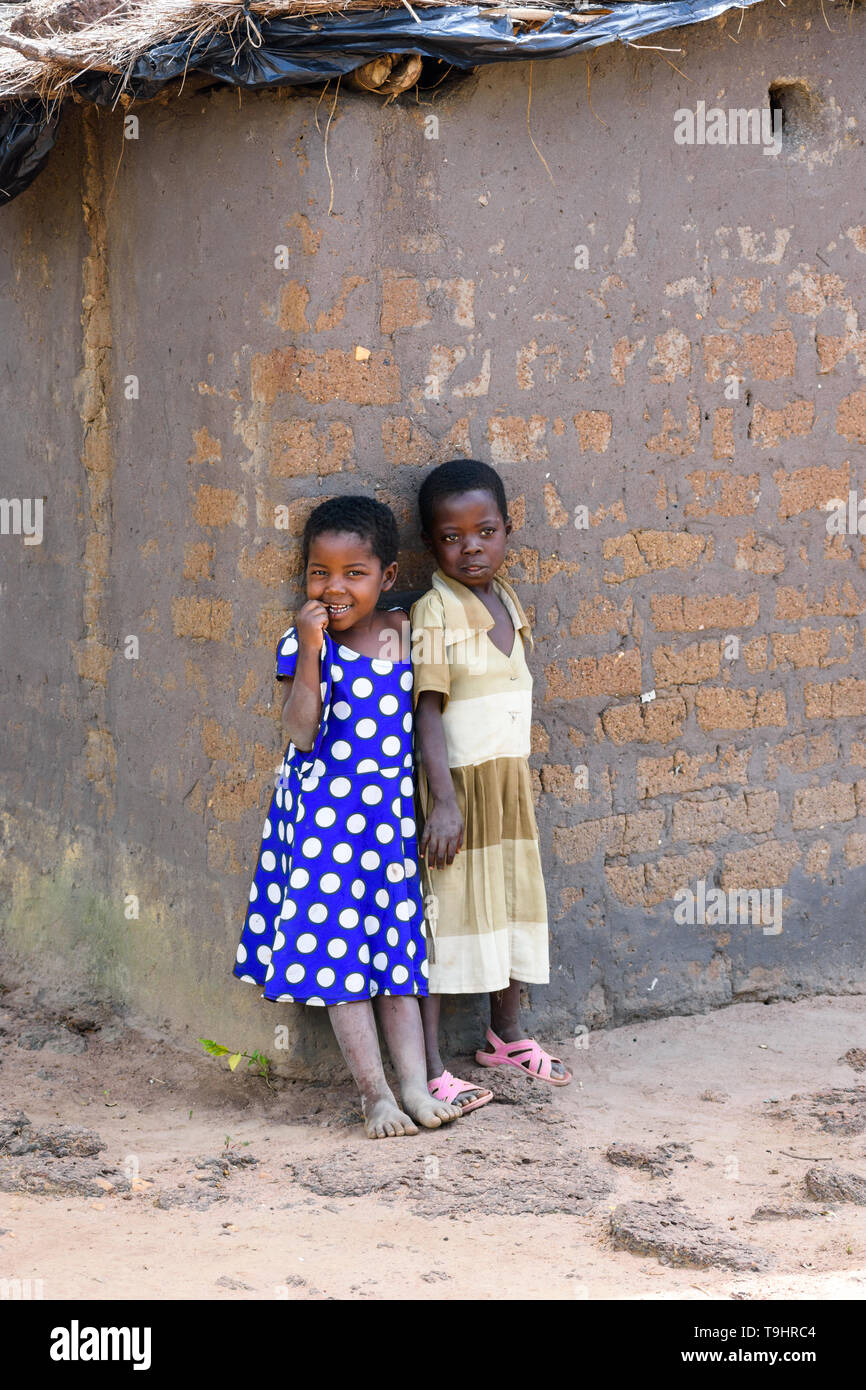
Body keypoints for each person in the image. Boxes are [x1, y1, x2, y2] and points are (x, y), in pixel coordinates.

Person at [235, 495, 462, 1139]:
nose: (334, 588)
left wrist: (442, 799)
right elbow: (301, 732)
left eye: (354, 573)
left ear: (387, 577)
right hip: (320, 828)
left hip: (387, 827)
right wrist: (309, 649)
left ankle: (416, 1089)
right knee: (339, 964)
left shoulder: (404, 630)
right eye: (319, 572)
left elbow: (426, 717)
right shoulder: (304, 642)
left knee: (397, 962)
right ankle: (375, 1097)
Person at [410, 458, 573, 1110]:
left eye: (485, 531)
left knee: (510, 909)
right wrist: (443, 803)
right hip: (462, 795)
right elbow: (426, 709)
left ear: (508, 531)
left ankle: (503, 1037)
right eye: (451, 536)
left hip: (508, 791)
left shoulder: (504, 598)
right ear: (430, 544)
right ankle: (427, 1067)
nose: (470, 546)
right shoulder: (434, 611)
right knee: (448, 924)